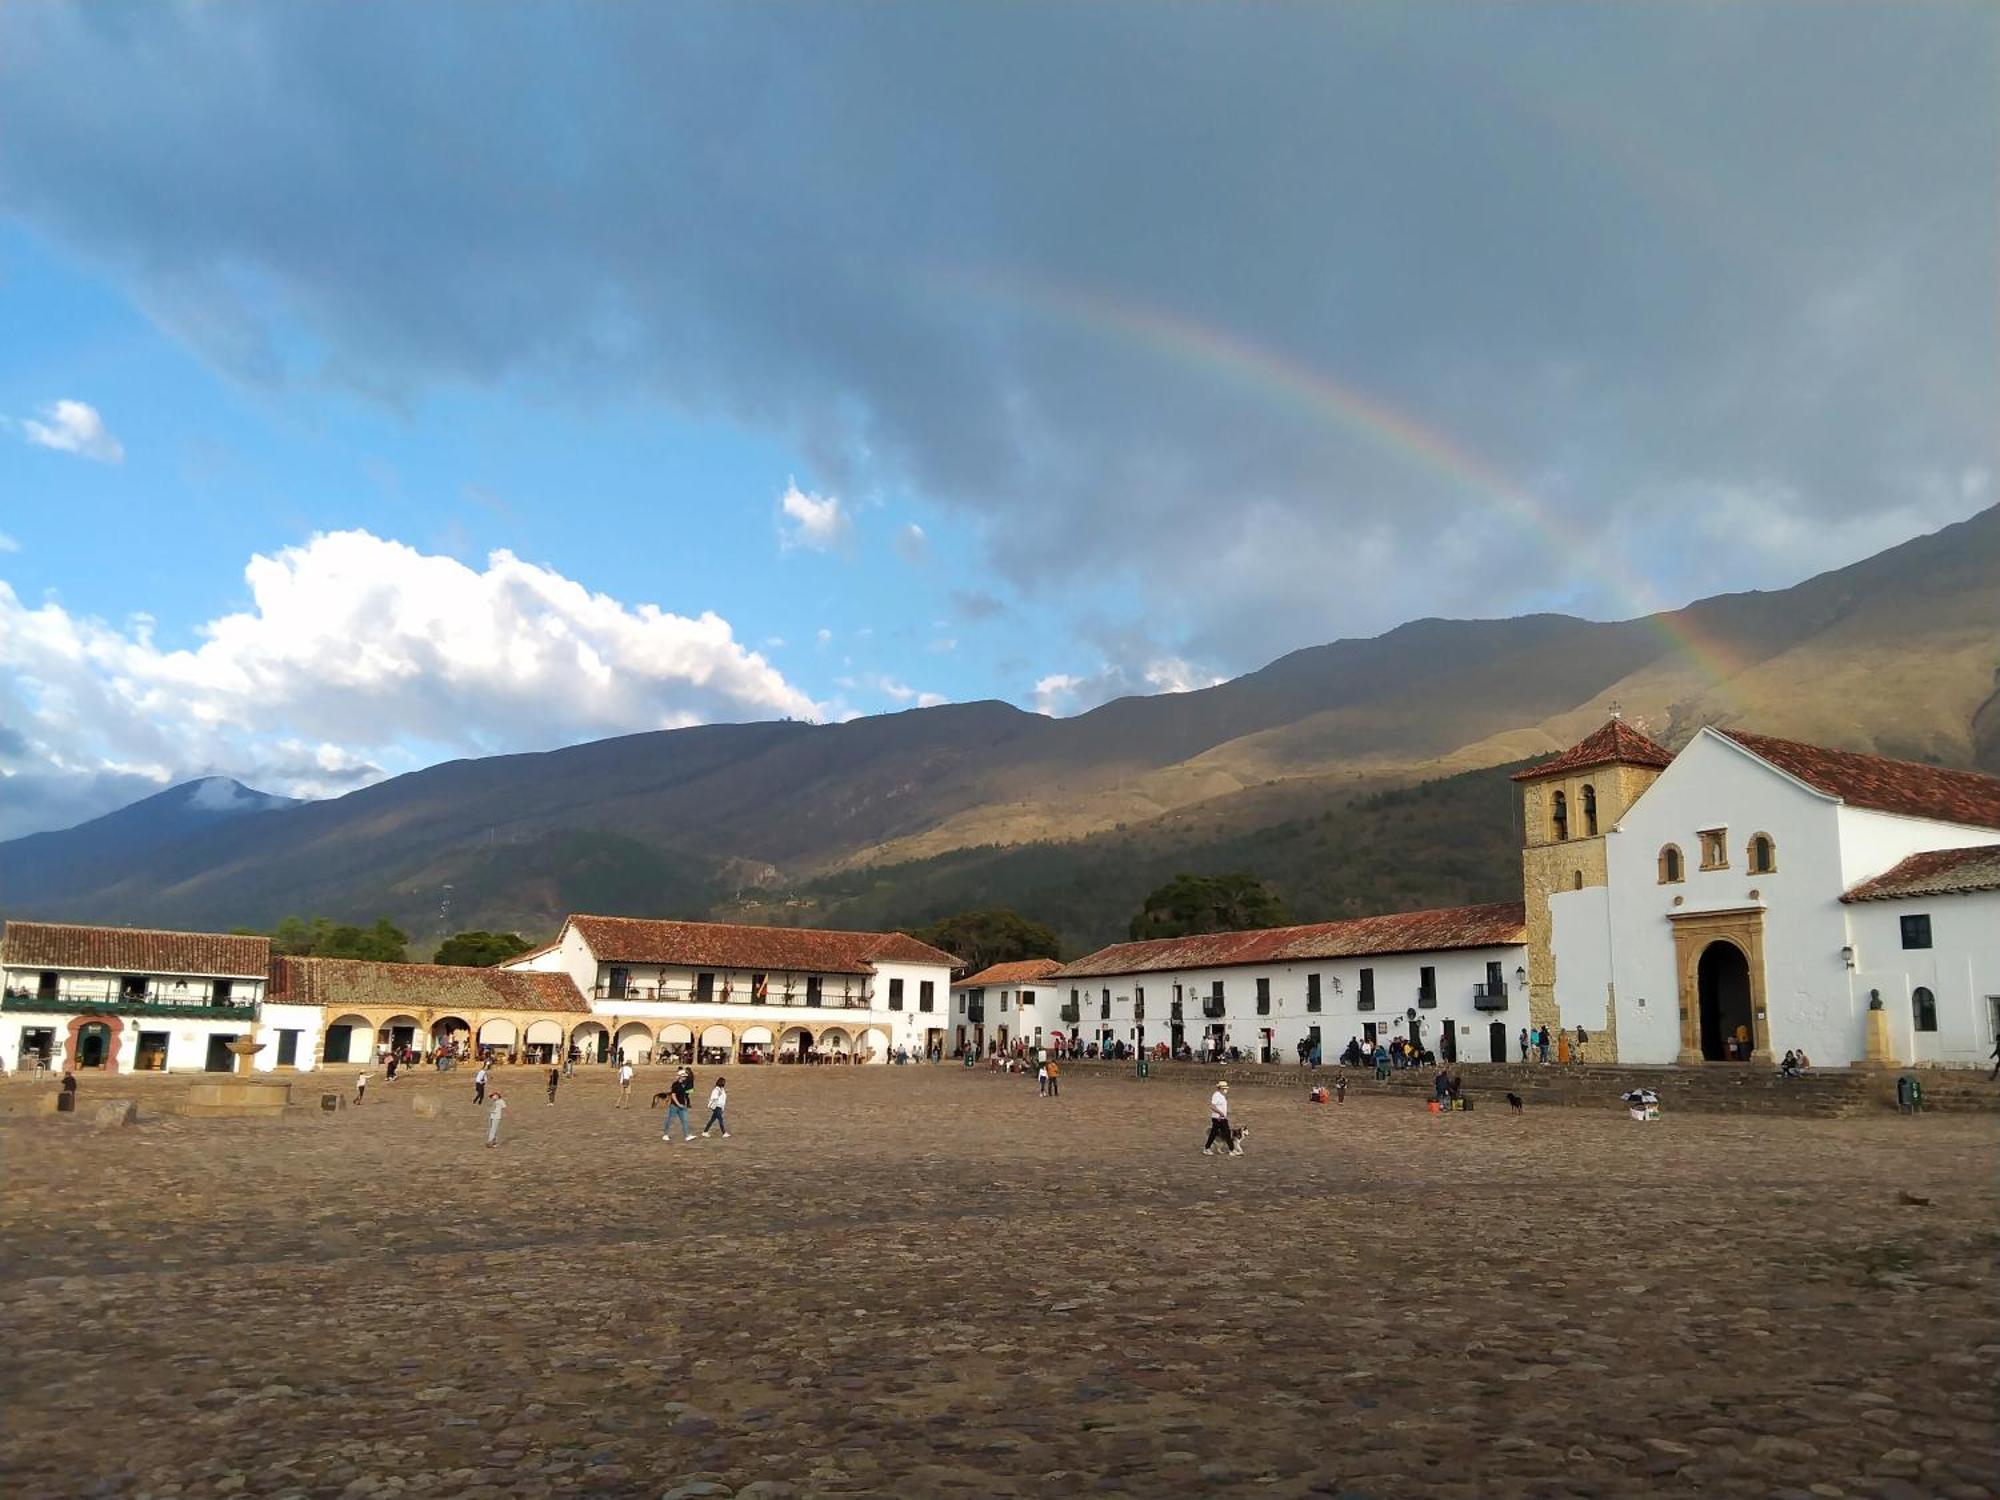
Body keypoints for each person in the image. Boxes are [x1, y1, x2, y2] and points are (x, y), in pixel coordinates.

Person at [1203, 1080, 1235, 1156]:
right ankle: (1232, 1150)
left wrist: (1225, 1112)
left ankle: (1207, 1148)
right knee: (1227, 1133)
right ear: (1220, 1088)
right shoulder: (1216, 1095)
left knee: (1213, 1133)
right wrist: (1220, 1113)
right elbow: (1212, 1106)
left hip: (1220, 1117)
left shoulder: (1221, 1096)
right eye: (1224, 1088)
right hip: (1219, 1118)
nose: (1225, 1090)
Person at [662, 1069, 695, 1142]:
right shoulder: (675, 1084)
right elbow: (673, 1095)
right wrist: (678, 1104)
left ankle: (687, 1135)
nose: (685, 1078)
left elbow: (687, 1093)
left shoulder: (684, 1084)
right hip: (674, 1106)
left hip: (682, 1106)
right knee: (670, 1120)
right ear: (680, 1077)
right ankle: (665, 1134)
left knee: (685, 1120)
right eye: (683, 1076)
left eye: (685, 1077)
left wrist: (685, 1102)